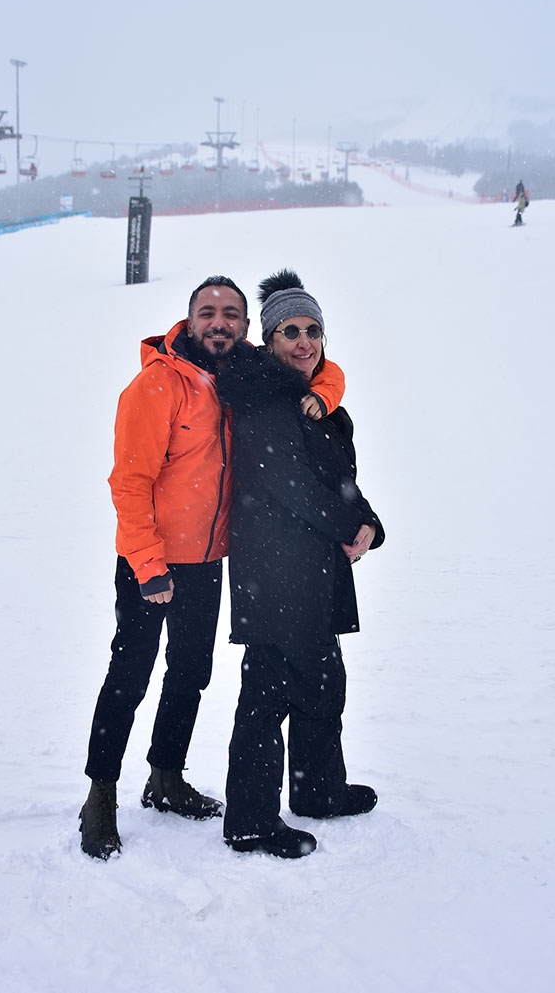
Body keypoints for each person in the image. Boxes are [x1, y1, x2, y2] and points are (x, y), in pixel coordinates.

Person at [80, 276, 347, 860]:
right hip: (151, 560)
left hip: (206, 560)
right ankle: (100, 795)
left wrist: (325, 395)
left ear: (246, 328)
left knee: (190, 671)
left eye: (230, 314)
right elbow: (129, 482)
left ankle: (165, 776)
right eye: (208, 312)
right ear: (189, 319)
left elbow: (316, 369)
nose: (219, 322)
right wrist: (148, 565)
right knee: (131, 673)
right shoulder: (157, 385)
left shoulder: (242, 372)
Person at [216, 269, 385, 859]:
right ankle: (250, 819)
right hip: (276, 571)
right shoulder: (266, 402)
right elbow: (294, 486)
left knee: (322, 684)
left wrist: (369, 523)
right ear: (268, 340)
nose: (305, 342)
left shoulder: (315, 405)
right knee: (267, 696)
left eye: (313, 330)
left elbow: (337, 481)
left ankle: (319, 788)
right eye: (291, 331)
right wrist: (350, 527)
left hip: (312, 569)